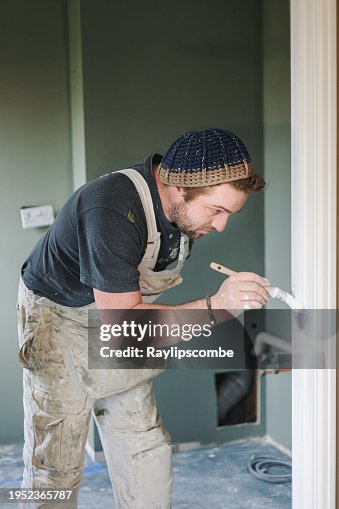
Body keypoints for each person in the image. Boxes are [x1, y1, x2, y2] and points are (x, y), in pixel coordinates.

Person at [17, 128, 270, 508]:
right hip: (59, 316)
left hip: (123, 313)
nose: (221, 227)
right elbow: (126, 328)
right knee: (54, 464)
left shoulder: (182, 212)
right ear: (178, 187)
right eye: (216, 210)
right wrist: (217, 307)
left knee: (145, 448)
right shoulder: (111, 209)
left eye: (230, 213)